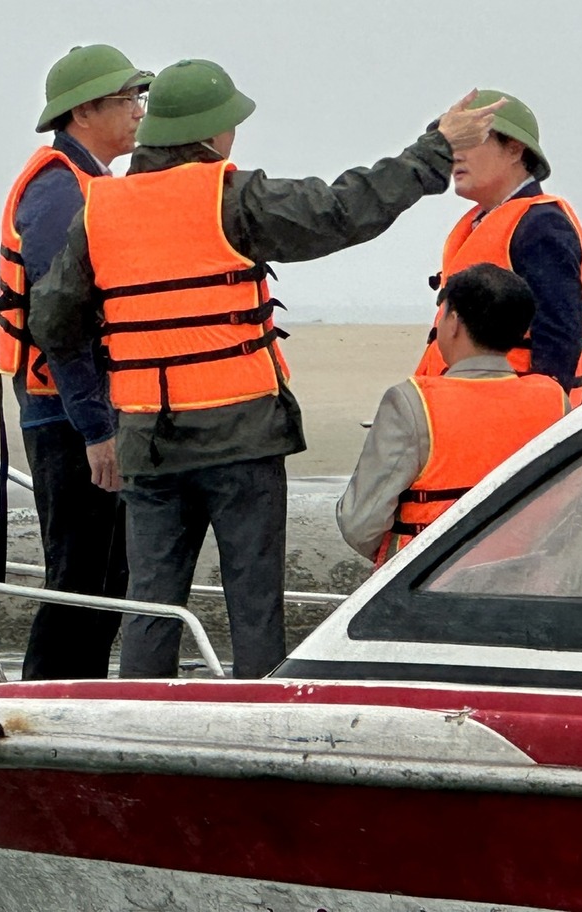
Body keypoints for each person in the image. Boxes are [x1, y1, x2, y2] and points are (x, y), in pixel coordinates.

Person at [32, 60, 502, 679]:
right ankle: (259, 716)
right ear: (210, 133)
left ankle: (145, 712)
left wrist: (115, 382)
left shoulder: (100, 211)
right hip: (242, 438)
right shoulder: (234, 198)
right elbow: (343, 210)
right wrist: (434, 147)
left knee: (152, 607)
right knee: (254, 606)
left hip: (147, 441)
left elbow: (52, 322)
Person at [0, 43, 151, 680]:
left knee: (107, 574)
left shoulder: (90, 182)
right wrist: (96, 429)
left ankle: (77, 693)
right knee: (80, 575)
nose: (140, 111)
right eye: (127, 99)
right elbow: (61, 326)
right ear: (83, 112)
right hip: (66, 414)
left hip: (82, 410)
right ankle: (42, 700)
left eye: (139, 97)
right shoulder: (59, 189)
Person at [337, 262, 569, 565]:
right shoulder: (554, 400)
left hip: (428, 578)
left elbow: (360, 523)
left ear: (454, 323)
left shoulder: (411, 403)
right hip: (526, 572)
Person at [414, 91, 582, 405]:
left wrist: (539, 416)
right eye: (453, 144)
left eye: (469, 140)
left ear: (514, 149)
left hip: (509, 416)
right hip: (465, 408)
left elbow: (559, 342)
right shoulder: (483, 223)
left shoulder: (541, 225)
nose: (454, 155)